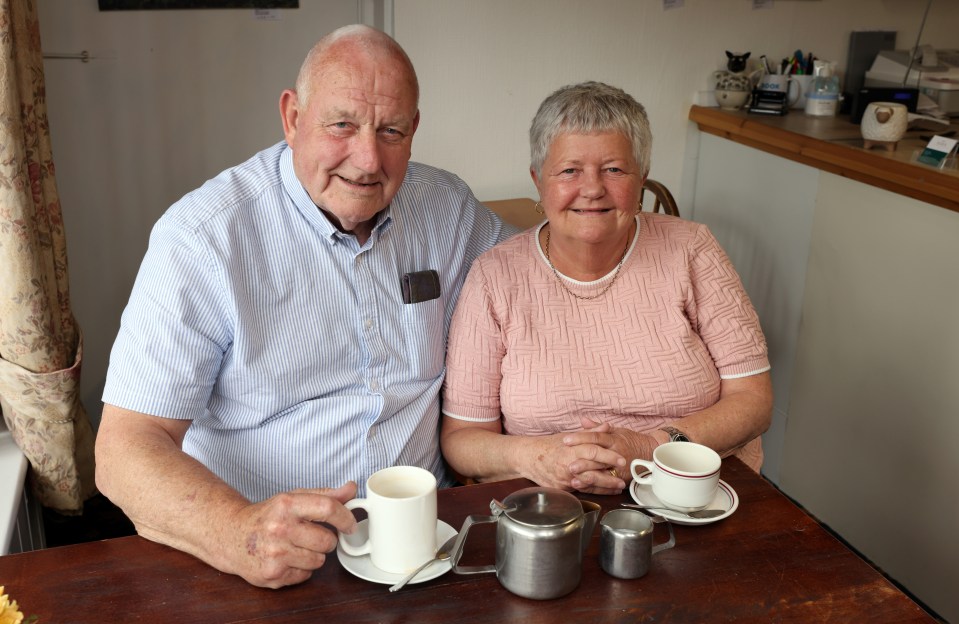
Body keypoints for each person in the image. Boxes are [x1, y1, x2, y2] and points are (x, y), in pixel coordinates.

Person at [95, 25, 513, 588]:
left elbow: (533, 279)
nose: (367, 160)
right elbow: (124, 448)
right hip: (263, 558)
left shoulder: (447, 208)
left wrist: (616, 226)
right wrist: (239, 532)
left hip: (426, 545)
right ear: (292, 118)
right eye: (341, 125)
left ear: (414, 130)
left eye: (390, 130)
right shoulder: (204, 237)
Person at [440, 81, 772, 495]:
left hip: (694, 495)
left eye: (614, 169)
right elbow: (463, 439)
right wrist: (541, 459)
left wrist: (651, 446)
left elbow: (753, 400)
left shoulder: (693, 249)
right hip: (548, 507)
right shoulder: (494, 277)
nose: (593, 188)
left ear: (642, 178)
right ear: (538, 181)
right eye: (569, 171)